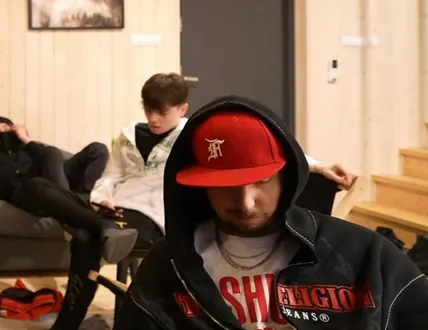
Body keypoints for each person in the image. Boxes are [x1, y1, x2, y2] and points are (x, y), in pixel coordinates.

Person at [103, 96, 428, 330]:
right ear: (199, 185)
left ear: (287, 175)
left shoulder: (361, 253)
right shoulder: (169, 266)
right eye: (225, 185)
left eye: (262, 181)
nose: (246, 203)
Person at [92, 74, 360, 247]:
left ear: (182, 109)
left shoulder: (194, 135)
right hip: (119, 206)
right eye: (149, 110)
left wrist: (319, 166)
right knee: (87, 234)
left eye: (162, 112)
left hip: (158, 214)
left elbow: (261, 154)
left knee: (95, 236)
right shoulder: (129, 135)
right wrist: (101, 198)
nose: (153, 119)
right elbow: (111, 175)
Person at [0, 118, 136, 330]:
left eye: (8, 128)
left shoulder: (30, 150)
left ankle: (79, 207)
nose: (4, 133)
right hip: (27, 192)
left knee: (96, 149)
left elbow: (52, 161)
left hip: (53, 187)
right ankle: (86, 214)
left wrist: (26, 140)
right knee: (39, 179)